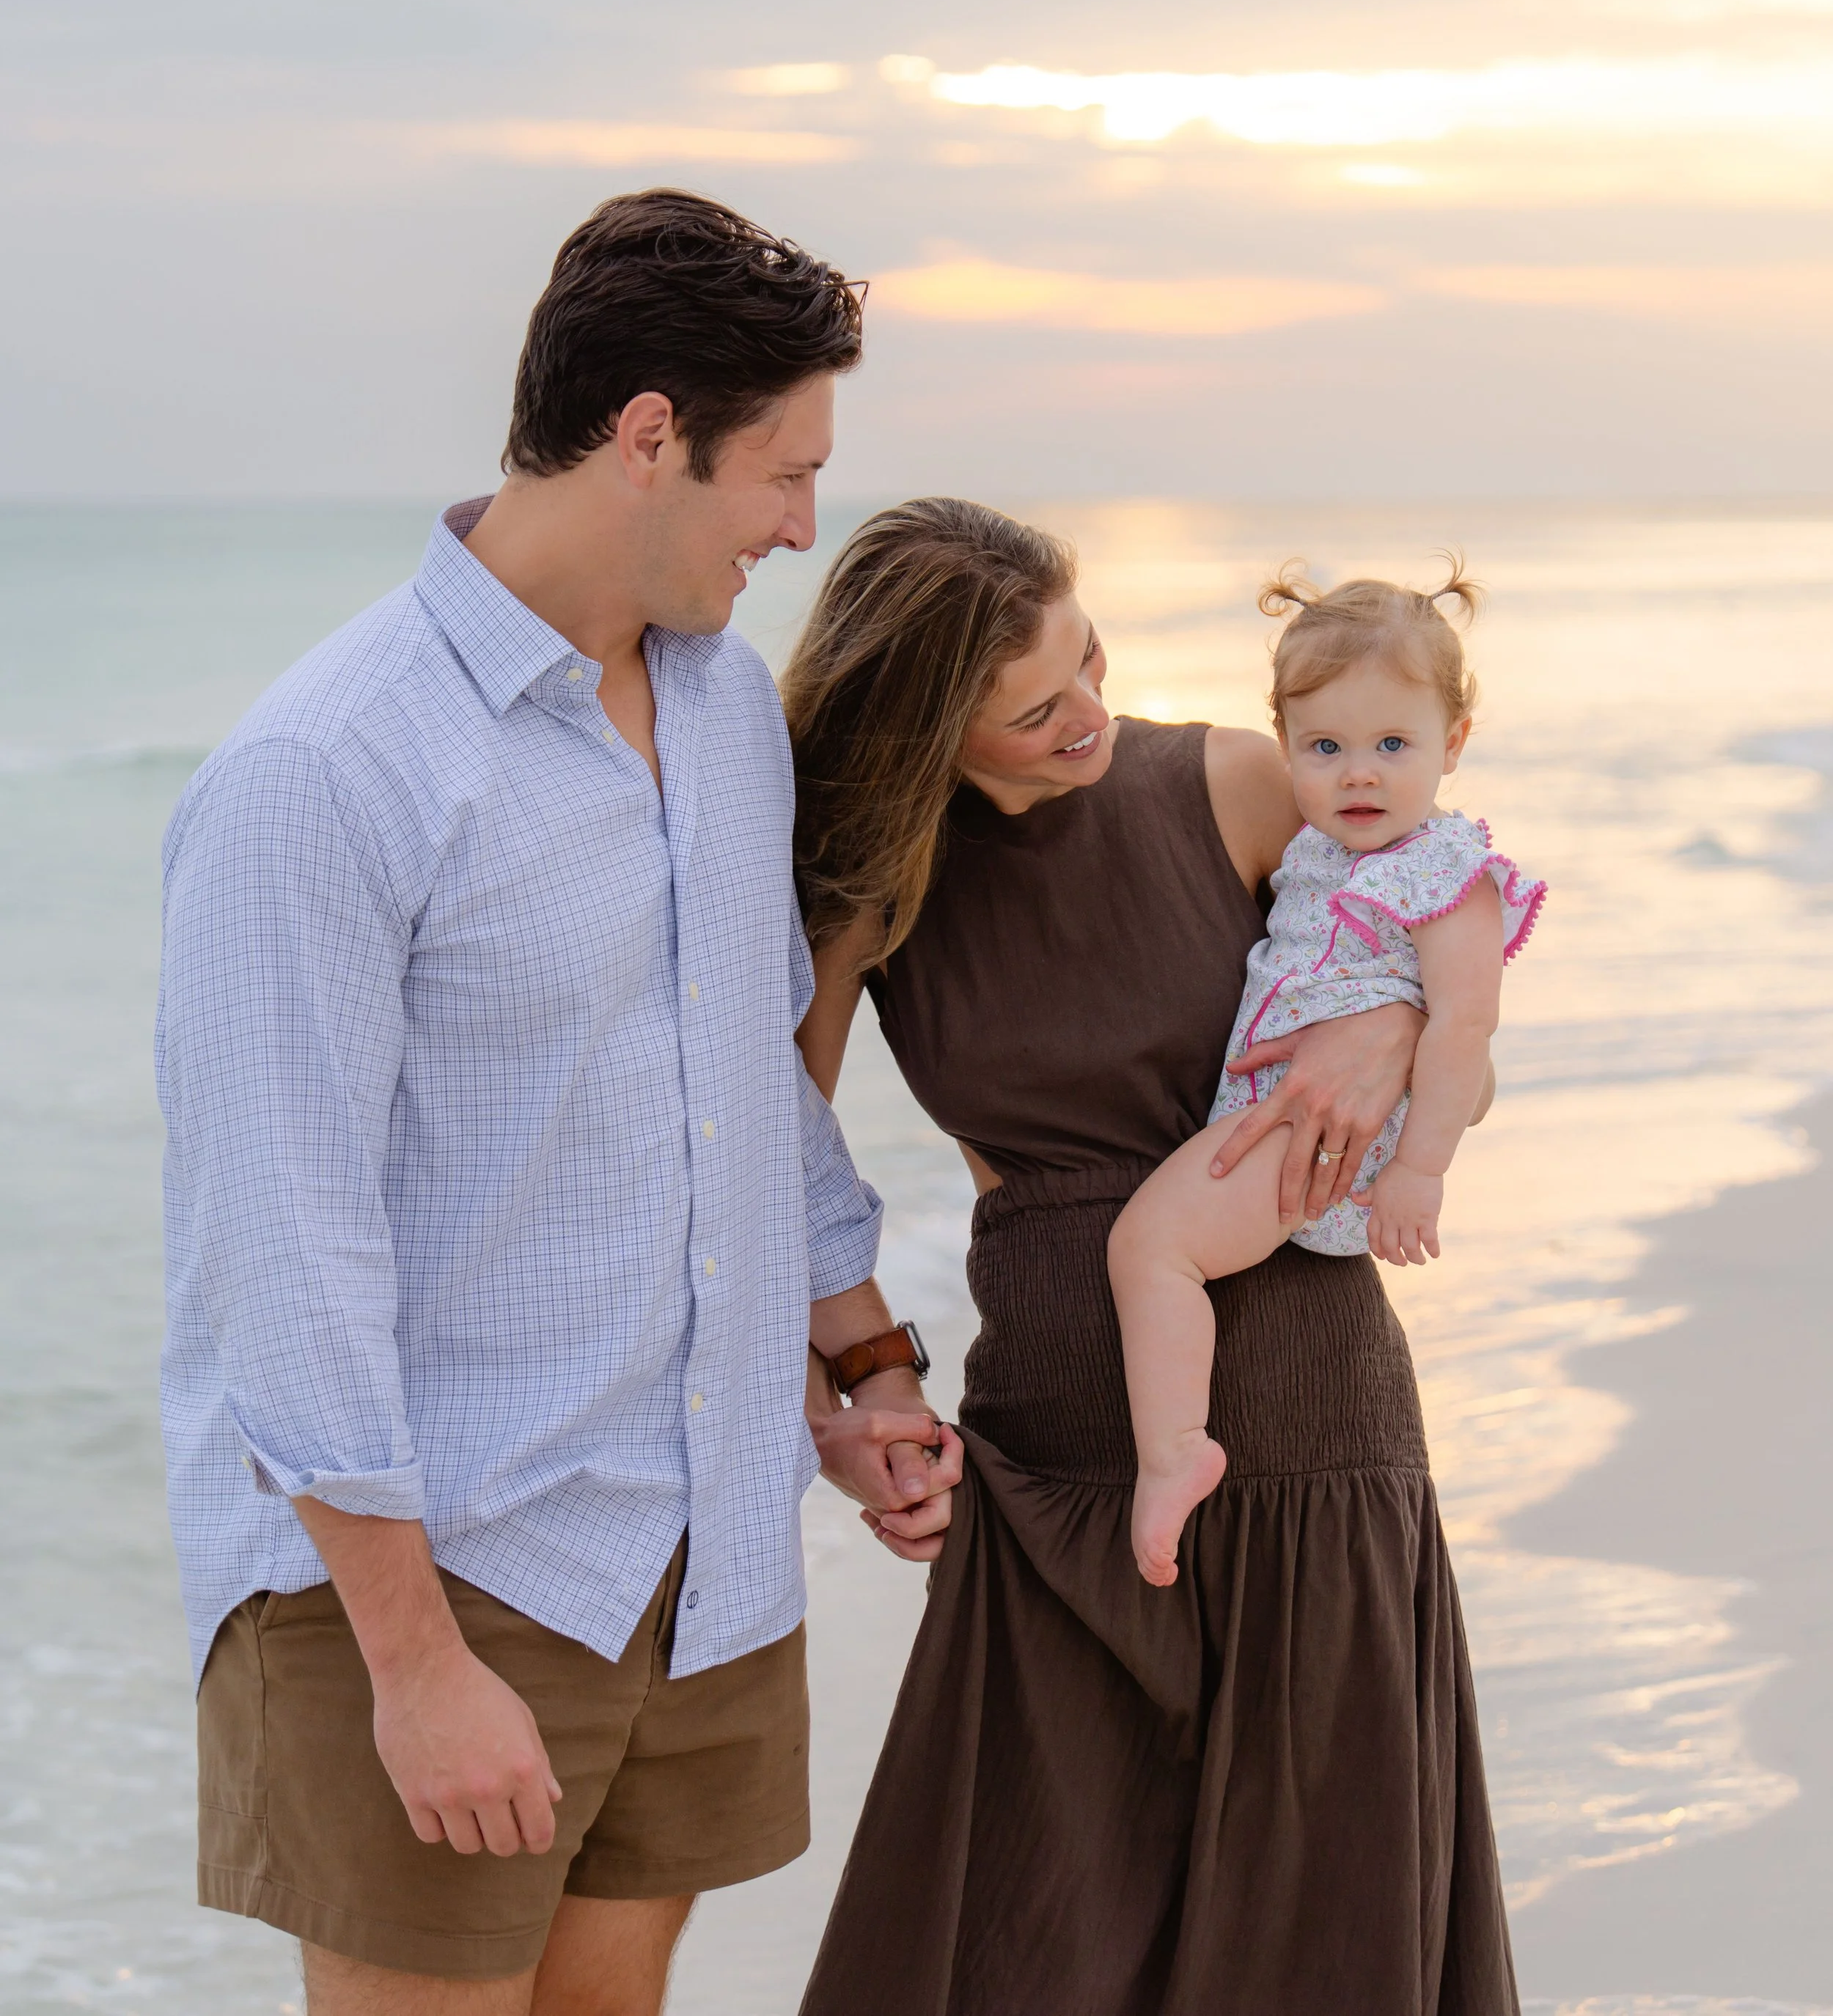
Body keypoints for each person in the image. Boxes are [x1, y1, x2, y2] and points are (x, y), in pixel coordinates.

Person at [157, 190, 960, 2016]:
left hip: (701, 1546)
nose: (799, 526)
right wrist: (414, 1660)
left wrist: (857, 1379)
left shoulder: (725, 709)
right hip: (443, 1567)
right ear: (649, 434)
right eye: (783, 471)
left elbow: (741, 1102)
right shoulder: (325, 770)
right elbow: (277, 1252)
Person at [785, 499, 1519, 2016]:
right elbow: (766, 1135)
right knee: (1022, 1935)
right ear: (929, 732)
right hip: (1050, 1447)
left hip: (1305, 1417)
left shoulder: (1235, 783)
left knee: (1310, 1938)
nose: (1088, 719)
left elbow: (1424, 916)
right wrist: (859, 1374)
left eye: (1091, 662)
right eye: (1035, 707)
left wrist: (1380, 1032)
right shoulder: (870, 877)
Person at [1109, 562, 1547, 1584]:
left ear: (1454, 745)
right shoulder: (1316, 851)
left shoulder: (1450, 871)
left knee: (1153, 1249)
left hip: (1329, 1138)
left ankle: (1176, 1452)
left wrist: (1418, 1173)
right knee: (1162, 1250)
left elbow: (1463, 1027)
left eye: (1393, 746)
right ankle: (1182, 1442)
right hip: (1286, 1111)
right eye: (1326, 748)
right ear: (1285, 745)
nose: (1360, 775)